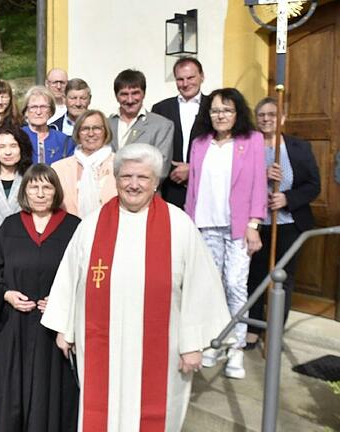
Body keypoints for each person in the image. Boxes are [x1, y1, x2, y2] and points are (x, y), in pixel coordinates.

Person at [42, 144, 231, 432]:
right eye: (126, 176)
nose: (133, 184)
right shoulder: (92, 225)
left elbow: (199, 287)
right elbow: (70, 277)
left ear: (155, 182)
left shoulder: (179, 225)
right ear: (115, 180)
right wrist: (64, 328)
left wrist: (193, 345)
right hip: (101, 344)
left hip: (162, 348)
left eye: (142, 177)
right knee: (100, 410)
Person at [0, 164, 80, 432]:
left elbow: (82, 278)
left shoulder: (74, 228)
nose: (40, 193)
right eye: (34, 186)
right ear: (25, 191)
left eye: (46, 186)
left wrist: (63, 302)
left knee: (51, 392)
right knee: (14, 389)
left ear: (56, 191)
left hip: (54, 328)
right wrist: (6, 294)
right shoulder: (11, 226)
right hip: (16, 326)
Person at [185, 87, 267, 379]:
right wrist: (189, 225)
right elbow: (193, 188)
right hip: (205, 225)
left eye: (227, 110)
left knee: (234, 284)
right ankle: (215, 342)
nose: (220, 115)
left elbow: (259, 184)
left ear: (237, 113)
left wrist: (254, 224)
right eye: (215, 110)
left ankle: (236, 347)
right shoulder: (200, 143)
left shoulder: (252, 140)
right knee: (211, 287)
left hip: (238, 227)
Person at [246, 97, 320, 348]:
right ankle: (254, 327)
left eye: (272, 115)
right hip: (257, 224)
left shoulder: (299, 148)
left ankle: (275, 330)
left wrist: (287, 198)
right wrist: (261, 174)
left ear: (283, 119)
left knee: (283, 279)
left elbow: (313, 185)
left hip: (289, 224)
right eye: (262, 115)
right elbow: (239, 182)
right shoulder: (248, 146)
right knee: (254, 277)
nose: (267, 119)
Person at [152, 57, 210, 208]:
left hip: (206, 186)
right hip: (171, 186)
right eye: (180, 79)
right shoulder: (161, 109)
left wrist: (193, 169)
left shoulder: (213, 106)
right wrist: (175, 171)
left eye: (191, 77)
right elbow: (156, 148)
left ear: (202, 76)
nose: (185, 84)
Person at [107, 69, 174, 180]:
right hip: (107, 193)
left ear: (144, 93)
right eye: (124, 94)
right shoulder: (106, 124)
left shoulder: (162, 125)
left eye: (135, 93)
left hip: (144, 193)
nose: (130, 100)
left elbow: (161, 169)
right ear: (116, 96)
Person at [52, 109, 117, 218]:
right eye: (85, 129)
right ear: (77, 133)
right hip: (71, 231)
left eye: (97, 128)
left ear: (106, 131)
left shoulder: (121, 165)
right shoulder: (58, 168)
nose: (91, 133)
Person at [0, 125, 33, 234]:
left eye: (13, 146)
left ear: (21, 148)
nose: (8, 152)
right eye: (1, 146)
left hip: (25, 239)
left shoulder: (31, 178)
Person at [21, 86, 74, 165]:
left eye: (43, 107)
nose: (38, 112)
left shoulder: (64, 141)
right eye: (33, 107)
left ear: (51, 111)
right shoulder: (17, 137)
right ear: (26, 111)